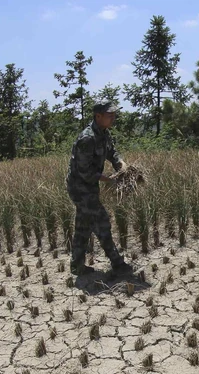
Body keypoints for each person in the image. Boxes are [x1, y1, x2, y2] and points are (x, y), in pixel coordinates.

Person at [66, 100, 133, 277]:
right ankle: (117, 263)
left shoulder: (104, 133)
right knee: (102, 222)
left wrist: (121, 165)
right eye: (109, 115)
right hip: (80, 188)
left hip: (90, 186)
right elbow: (85, 172)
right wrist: (110, 180)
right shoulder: (87, 138)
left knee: (83, 227)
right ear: (98, 116)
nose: (113, 118)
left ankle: (76, 266)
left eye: (114, 115)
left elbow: (112, 152)